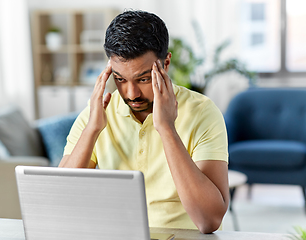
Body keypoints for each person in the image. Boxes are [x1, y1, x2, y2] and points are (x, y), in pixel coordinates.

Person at [59, 10, 229, 234]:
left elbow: (209, 221)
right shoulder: (97, 114)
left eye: (143, 79)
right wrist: (92, 129)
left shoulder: (202, 112)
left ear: (165, 63)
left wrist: (167, 128)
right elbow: (61, 200)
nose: (131, 94)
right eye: (119, 79)